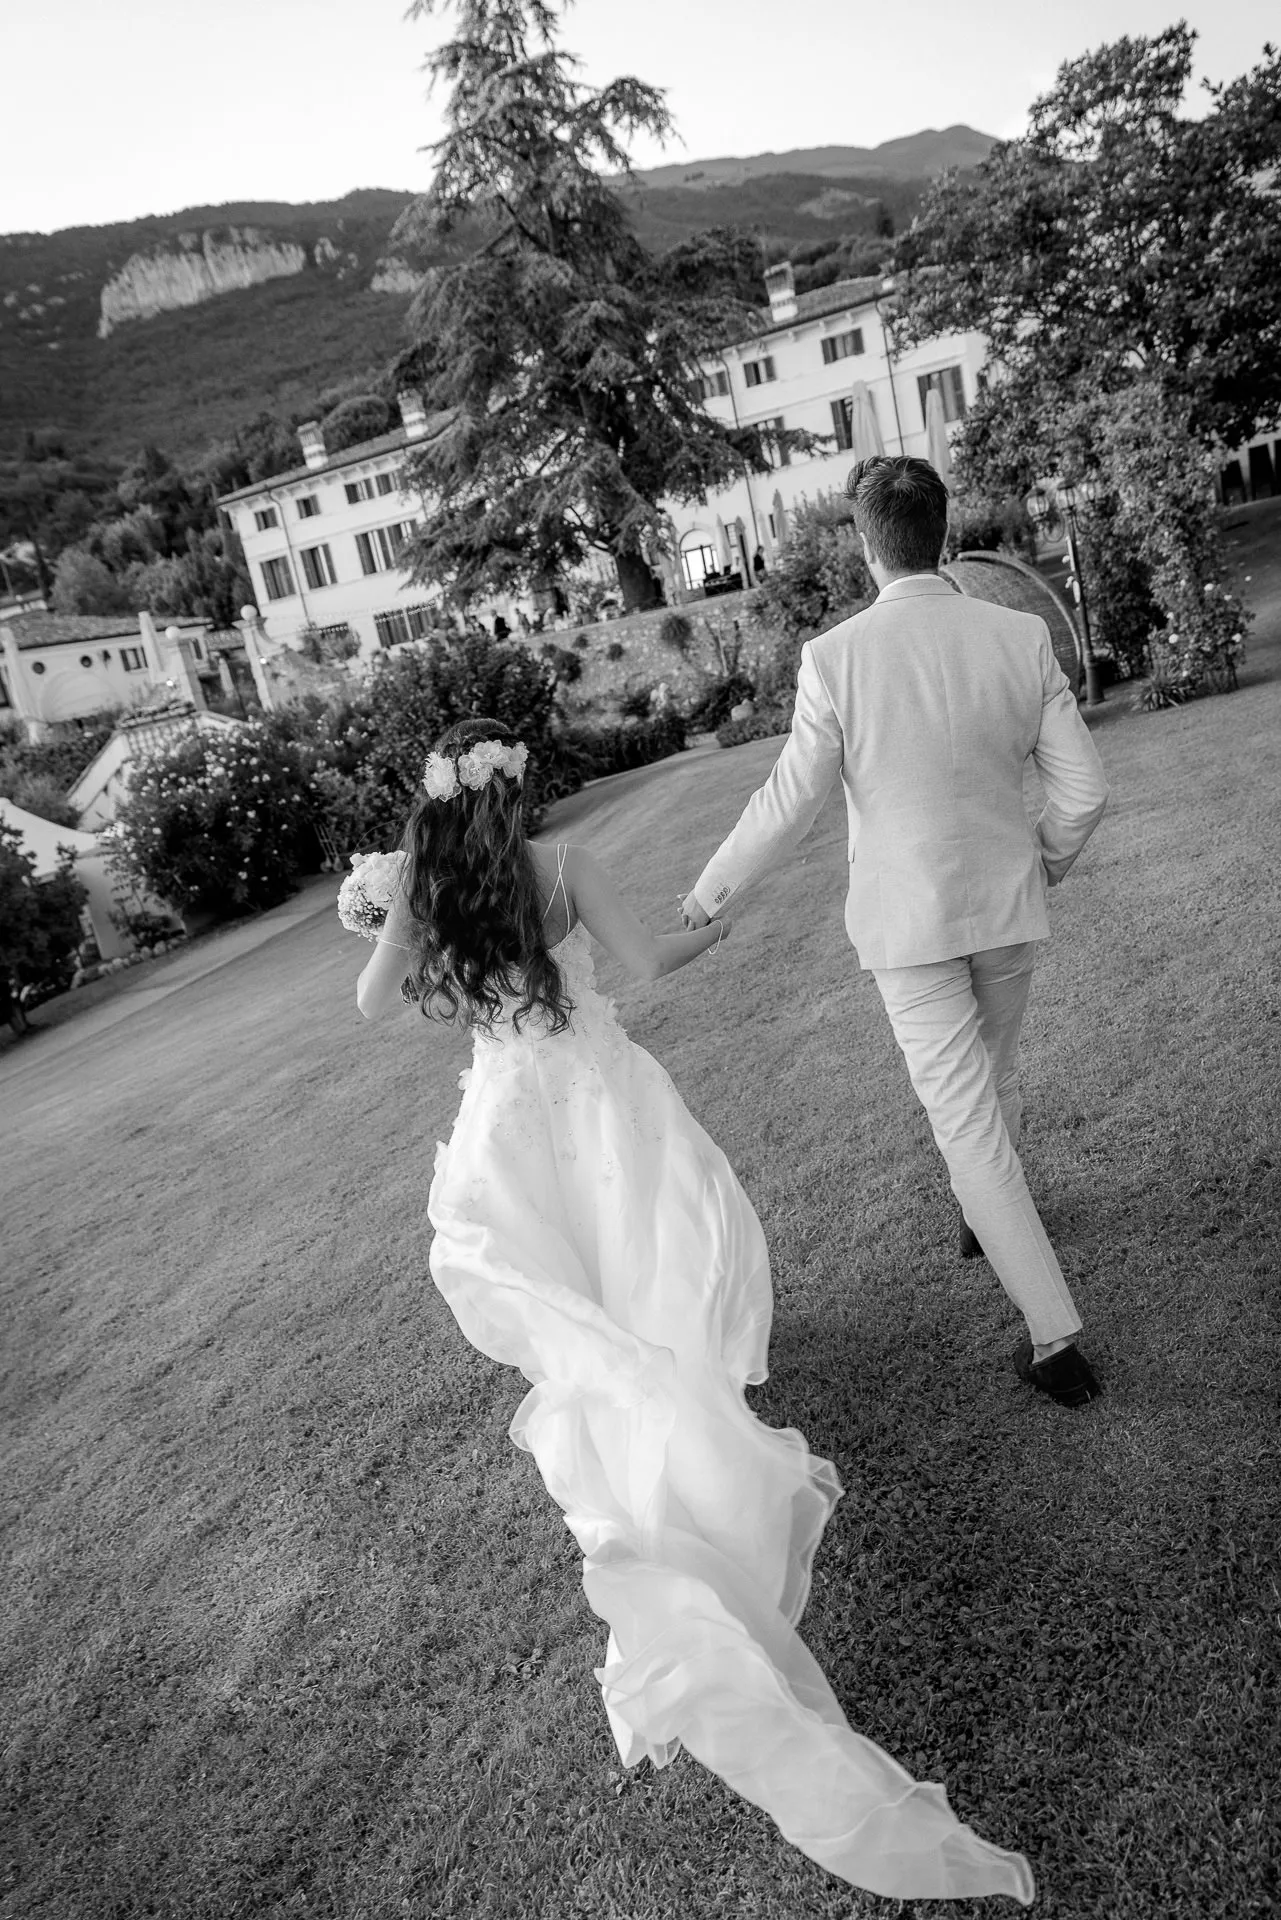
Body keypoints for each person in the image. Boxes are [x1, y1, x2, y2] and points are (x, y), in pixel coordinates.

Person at [352, 716, 1034, 1905]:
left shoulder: (426, 878)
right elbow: (654, 963)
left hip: (508, 1114)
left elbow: (375, 1004)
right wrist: (711, 925)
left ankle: (647, 1417)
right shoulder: (561, 869)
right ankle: (689, 1405)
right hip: (601, 1093)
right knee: (669, 1247)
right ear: (521, 785)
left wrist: (391, 918)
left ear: (439, 796)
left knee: (577, 1284)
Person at [683, 455, 1110, 1410]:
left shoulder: (835, 657)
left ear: (865, 544)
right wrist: (1045, 856)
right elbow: (1085, 792)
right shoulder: (1017, 632)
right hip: (1006, 913)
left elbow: (789, 799)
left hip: (908, 930)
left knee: (968, 1118)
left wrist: (710, 892)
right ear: (941, 533)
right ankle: (981, 1214)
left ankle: (1052, 1338)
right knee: (984, 1086)